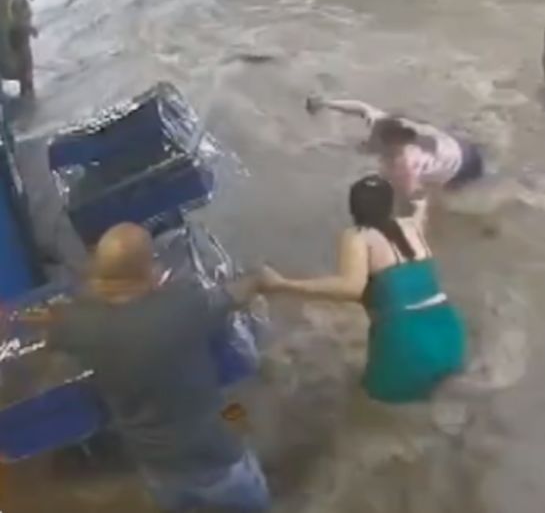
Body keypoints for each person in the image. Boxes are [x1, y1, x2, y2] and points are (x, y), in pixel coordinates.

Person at [17, 223, 271, 512]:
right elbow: (237, 293)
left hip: (156, 468)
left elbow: (53, 329)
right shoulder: (184, 306)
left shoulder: (80, 327)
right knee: (245, 476)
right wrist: (260, 276)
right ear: (150, 269)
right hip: (215, 456)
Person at [259, 174, 466, 404]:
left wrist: (283, 284)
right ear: (390, 204)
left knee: (367, 408)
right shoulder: (411, 226)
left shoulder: (357, 236)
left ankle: (234, 416)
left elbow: (351, 288)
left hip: (406, 338)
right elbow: (419, 217)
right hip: (448, 331)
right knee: (438, 403)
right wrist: (422, 202)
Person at [306, 96, 485, 199]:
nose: (370, 142)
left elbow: (414, 196)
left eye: (375, 144)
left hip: (461, 168)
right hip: (456, 144)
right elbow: (361, 108)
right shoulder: (391, 123)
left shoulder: (404, 165)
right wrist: (326, 103)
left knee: (454, 196)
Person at [7, 0, 38, 100]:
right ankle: (27, 96)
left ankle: (27, 95)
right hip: (19, 37)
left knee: (24, 68)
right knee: (25, 68)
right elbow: (18, 20)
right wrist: (30, 29)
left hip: (18, 37)